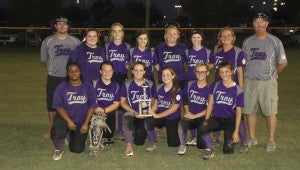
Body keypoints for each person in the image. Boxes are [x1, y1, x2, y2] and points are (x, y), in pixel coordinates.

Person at [243, 12, 287, 152]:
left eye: (262, 22)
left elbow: (282, 63)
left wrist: (272, 74)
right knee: (249, 111)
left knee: (270, 112)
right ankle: (252, 137)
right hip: (250, 81)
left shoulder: (274, 41)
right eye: (256, 22)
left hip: (268, 82)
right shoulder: (247, 41)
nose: (259, 24)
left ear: (267, 24)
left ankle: (271, 140)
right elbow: (244, 62)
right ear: (253, 24)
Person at [40, 17, 81, 139]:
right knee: (52, 105)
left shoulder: (75, 42)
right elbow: (44, 60)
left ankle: (69, 129)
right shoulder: (48, 41)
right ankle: (51, 128)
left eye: (65, 24)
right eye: (59, 24)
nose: (62, 26)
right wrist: (53, 70)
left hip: (70, 78)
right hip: (53, 77)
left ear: (68, 26)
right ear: (55, 26)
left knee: (71, 103)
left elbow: (79, 60)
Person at [209, 27, 248, 153]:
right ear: (220, 38)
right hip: (219, 87)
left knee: (238, 115)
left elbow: (241, 72)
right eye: (223, 36)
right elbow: (215, 71)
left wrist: (240, 90)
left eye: (229, 35)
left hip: (233, 89)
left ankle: (244, 142)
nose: (226, 38)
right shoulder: (217, 54)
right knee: (218, 113)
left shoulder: (238, 52)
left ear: (233, 37)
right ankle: (215, 139)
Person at [51, 62, 97, 160]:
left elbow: (92, 106)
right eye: (70, 71)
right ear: (67, 73)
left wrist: (86, 123)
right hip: (65, 118)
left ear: (80, 72)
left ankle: (69, 135)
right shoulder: (62, 87)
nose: (73, 73)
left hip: (81, 120)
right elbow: (58, 106)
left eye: (76, 71)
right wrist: (68, 121)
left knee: (77, 149)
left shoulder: (88, 86)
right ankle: (59, 148)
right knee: (58, 124)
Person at [198, 61, 243, 160]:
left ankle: (230, 138)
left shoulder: (238, 90)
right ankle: (209, 149)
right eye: (221, 72)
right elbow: (210, 105)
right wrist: (206, 120)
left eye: (227, 72)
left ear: (232, 72)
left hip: (230, 121)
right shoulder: (215, 85)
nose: (224, 74)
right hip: (217, 119)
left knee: (228, 151)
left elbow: (239, 112)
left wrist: (236, 131)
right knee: (202, 127)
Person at [120, 62, 156, 156]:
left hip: (144, 113)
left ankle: (152, 140)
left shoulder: (150, 84)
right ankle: (128, 144)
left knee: (139, 142)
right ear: (132, 71)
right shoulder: (126, 84)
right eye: (135, 70)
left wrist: (148, 111)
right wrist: (135, 112)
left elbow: (153, 101)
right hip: (132, 112)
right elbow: (122, 102)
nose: (138, 72)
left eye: (141, 70)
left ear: (144, 71)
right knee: (127, 116)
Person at [185, 29, 213, 146]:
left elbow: (211, 65)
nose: (196, 39)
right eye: (193, 37)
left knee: (204, 105)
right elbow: (184, 64)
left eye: (198, 37)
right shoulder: (187, 51)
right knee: (192, 107)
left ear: (202, 38)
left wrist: (203, 72)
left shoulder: (207, 51)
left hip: (203, 82)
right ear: (191, 39)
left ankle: (203, 133)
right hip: (191, 82)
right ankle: (192, 137)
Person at [177, 63, 210, 155]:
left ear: (207, 73)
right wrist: (187, 112)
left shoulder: (210, 88)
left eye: (203, 72)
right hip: (190, 114)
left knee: (201, 145)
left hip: (202, 117)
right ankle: (183, 145)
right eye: (198, 72)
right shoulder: (189, 84)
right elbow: (185, 100)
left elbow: (209, 109)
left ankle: (198, 138)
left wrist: (194, 116)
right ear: (195, 73)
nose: (200, 74)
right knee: (182, 123)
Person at [105, 22, 131, 139]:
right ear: (111, 33)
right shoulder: (107, 46)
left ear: (123, 33)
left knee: (121, 103)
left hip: (122, 77)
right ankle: (109, 128)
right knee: (110, 102)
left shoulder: (127, 46)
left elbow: (131, 62)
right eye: (114, 31)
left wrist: (128, 66)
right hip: (110, 77)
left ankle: (120, 129)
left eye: (119, 30)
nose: (117, 33)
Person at [90, 61, 120, 155]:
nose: (107, 73)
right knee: (97, 121)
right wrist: (97, 110)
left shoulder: (116, 85)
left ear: (113, 71)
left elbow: (116, 104)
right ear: (100, 71)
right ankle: (94, 146)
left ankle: (101, 133)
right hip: (95, 112)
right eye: (105, 70)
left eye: (110, 70)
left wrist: (104, 110)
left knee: (108, 139)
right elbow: (91, 100)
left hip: (108, 112)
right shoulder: (94, 83)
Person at [148, 67, 182, 148]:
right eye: (163, 75)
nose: (165, 77)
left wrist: (157, 116)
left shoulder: (178, 90)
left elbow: (173, 109)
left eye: (168, 75)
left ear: (173, 76)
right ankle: (153, 141)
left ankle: (175, 131)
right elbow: (156, 104)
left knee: (173, 144)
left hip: (172, 117)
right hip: (161, 116)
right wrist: (150, 111)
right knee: (148, 121)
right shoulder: (158, 87)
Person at [153, 25, 187, 90]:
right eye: (169, 33)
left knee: (180, 99)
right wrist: (164, 72)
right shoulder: (159, 48)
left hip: (180, 79)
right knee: (164, 99)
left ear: (178, 35)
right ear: (166, 35)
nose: (172, 36)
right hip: (164, 79)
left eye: (174, 34)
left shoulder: (183, 47)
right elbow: (156, 64)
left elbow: (185, 62)